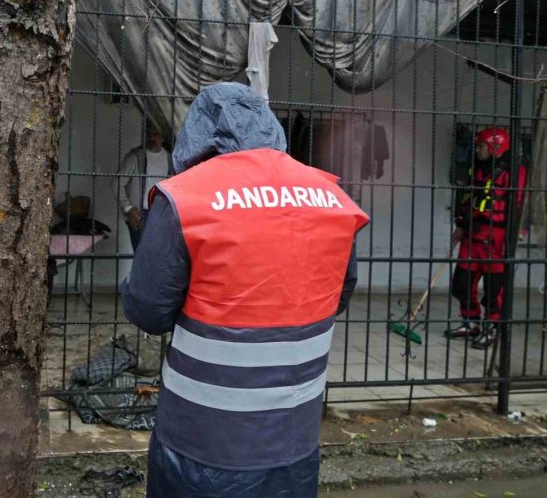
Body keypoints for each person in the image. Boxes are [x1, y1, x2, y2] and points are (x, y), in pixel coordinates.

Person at [121, 82, 369, 498]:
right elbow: (339, 295)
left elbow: (148, 310)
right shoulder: (332, 197)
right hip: (294, 442)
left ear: (198, 135)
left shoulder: (185, 198)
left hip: (201, 446)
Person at [447, 126, 527, 349]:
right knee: (461, 284)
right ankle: (470, 321)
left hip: (498, 238)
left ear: (495, 147)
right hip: (472, 236)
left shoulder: (515, 172)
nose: (478, 149)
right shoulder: (477, 169)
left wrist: (519, 231)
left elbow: (522, 203)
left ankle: (492, 328)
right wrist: (460, 224)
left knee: (494, 290)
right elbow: (465, 197)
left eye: (482, 145)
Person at [111, 123, 173, 250]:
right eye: (148, 134)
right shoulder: (135, 157)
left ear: (163, 137)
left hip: (162, 213)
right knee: (141, 256)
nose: (151, 137)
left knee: (160, 256)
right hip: (140, 214)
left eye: (155, 134)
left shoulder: (170, 158)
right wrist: (128, 209)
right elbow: (116, 183)